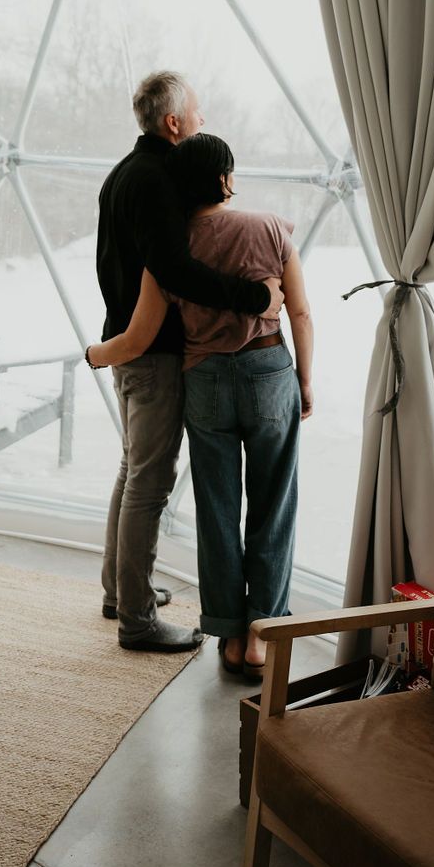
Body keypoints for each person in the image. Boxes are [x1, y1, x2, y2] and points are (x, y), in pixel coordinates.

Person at [88, 132, 313, 681]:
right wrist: (305, 382)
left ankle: (229, 633)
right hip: (268, 371)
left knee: (216, 511)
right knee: (272, 506)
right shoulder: (271, 228)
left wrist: (96, 354)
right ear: (226, 180)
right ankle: (261, 636)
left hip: (204, 382)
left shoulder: (169, 248)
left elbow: (139, 334)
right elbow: (301, 314)